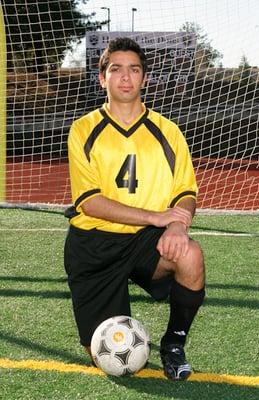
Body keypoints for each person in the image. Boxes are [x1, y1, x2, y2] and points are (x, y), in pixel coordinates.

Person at [64, 37, 205, 381]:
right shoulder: (84, 130)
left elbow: (186, 191)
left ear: (143, 78)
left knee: (189, 254)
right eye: (116, 69)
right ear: (103, 78)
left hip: (146, 241)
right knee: (102, 353)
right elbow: (90, 202)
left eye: (134, 69)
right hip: (94, 245)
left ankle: (174, 344)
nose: (125, 77)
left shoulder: (167, 131)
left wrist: (176, 225)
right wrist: (156, 217)